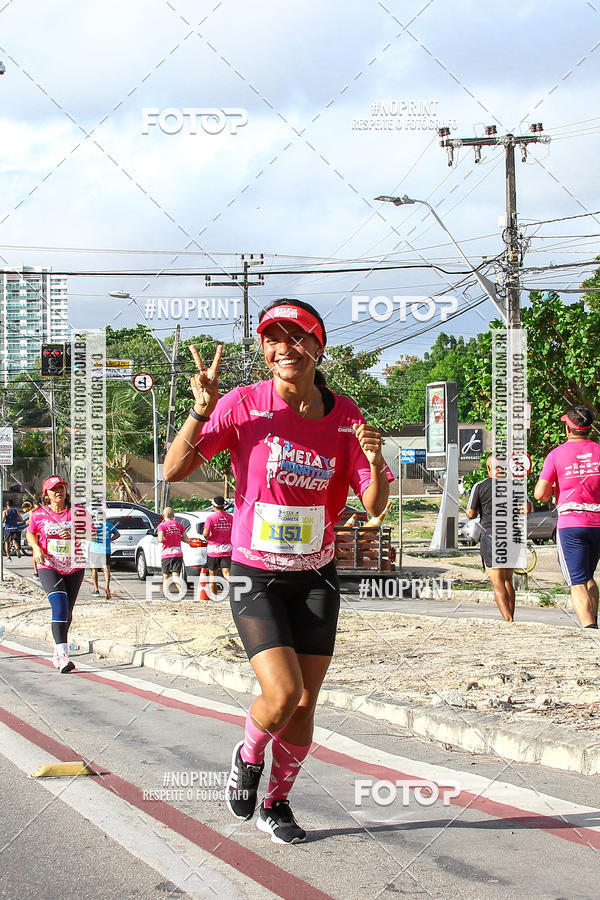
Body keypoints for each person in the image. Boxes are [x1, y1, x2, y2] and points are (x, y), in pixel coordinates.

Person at [164, 298, 392, 844]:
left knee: (308, 702)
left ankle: (277, 801)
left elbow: (375, 502)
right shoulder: (244, 404)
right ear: (265, 350)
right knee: (284, 693)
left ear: (318, 346)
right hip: (255, 573)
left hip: (316, 574)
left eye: (296, 337)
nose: (283, 348)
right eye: (272, 338)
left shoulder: (346, 416)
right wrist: (202, 409)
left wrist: (377, 458)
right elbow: (174, 470)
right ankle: (247, 755)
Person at [534, 406, 600, 629]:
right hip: (597, 522)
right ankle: (595, 622)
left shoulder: (556, 455)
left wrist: (554, 489)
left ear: (568, 428)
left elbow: (540, 494)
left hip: (571, 523)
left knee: (577, 581)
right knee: (589, 576)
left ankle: (589, 629)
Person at [26, 475, 95, 673]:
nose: (59, 492)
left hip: (74, 565)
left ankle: (57, 650)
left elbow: (94, 533)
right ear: (46, 494)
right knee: (60, 605)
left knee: (68, 612)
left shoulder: (78, 513)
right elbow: (30, 533)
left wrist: (75, 534)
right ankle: (65, 657)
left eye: (62, 488)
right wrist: (36, 548)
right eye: (54, 489)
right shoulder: (39, 515)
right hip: (49, 565)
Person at [466, 453, 531, 622]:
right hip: (512, 535)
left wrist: (471, 514)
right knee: (508, 579)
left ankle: (507, 619)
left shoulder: (479, 487)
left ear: (488, 468)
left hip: (491, 536)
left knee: (497, 581)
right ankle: (512, 617)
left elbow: (471, 514)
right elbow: (527, 508)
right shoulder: (517, 485)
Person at [202, 496, 233, 599]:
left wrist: (208, 538)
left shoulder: (210, 518)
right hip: (227, 549)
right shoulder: (231, 517)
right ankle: (233, 595)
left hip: (214, 550)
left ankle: (214, 597)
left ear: (214, 506)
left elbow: (205, 534)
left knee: (213, 575)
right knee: (227, 573)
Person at [157, 507, 190, 596]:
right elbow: (186, 539)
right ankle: (181, 591)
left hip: (167, 554)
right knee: (176, 575)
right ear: (173, 515)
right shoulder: (179, 525)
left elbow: (160, 539)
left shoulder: (162, 526)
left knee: (166, 575)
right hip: (178, 554)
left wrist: (165, 539)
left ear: (163, 516)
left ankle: (166, 593)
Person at [89, 514, 120, 599]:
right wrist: (110, 539)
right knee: (106, 569)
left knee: (94, 569)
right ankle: (107, 587)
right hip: (105, 550)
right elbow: (118, 534)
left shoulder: (94, 525)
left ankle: (96, 589)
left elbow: (91, 537)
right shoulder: (109, 525)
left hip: (94, 550)